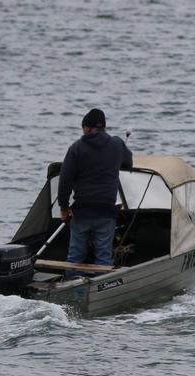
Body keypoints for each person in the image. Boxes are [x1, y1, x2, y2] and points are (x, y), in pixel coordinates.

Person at [58, 108, 133, 272]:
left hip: (82, 211)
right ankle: (102, 288)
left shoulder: (76, 148)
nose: (82, 132)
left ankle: (71, 287)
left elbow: (65, 180)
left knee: (75, 256)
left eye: (83, 128)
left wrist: (64, 207)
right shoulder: (117, 144)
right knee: (103, 257)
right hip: (106, 212)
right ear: (103, 127)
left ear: (89, 128)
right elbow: (129, 163)